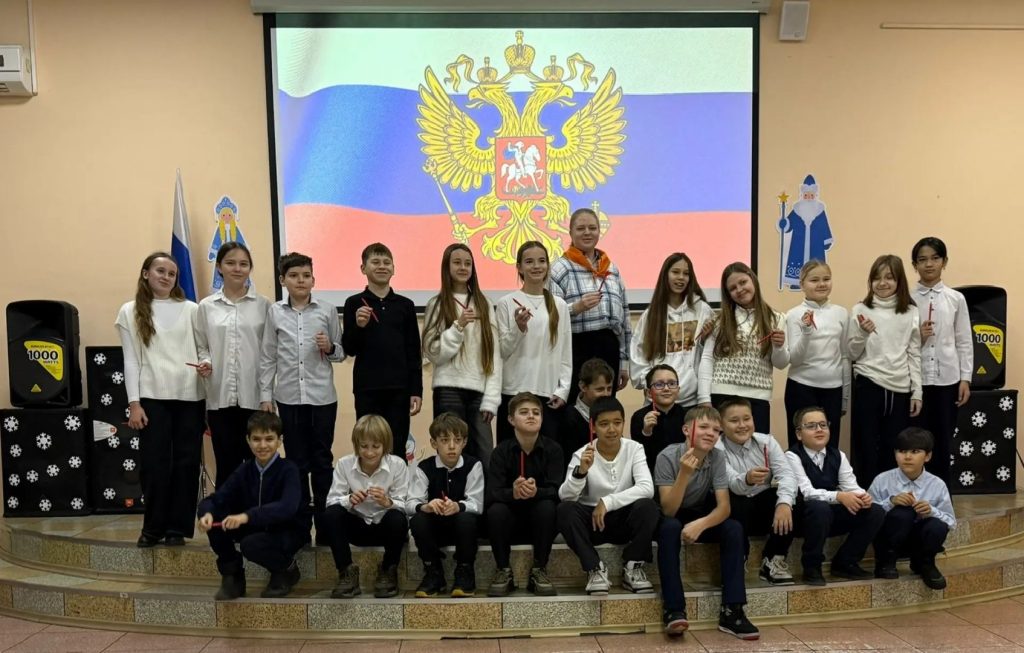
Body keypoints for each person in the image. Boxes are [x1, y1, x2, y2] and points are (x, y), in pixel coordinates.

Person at [116, 252, 206, 548]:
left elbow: (203, 350)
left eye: (171, 273)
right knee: (154, 465)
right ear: (146, 274)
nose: (166, 277)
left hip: (190, 397)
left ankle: (177, 528)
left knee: (186, 464)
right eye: (160, 271)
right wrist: (134, 403)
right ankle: (153, 527)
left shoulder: (192, 309)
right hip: (152, 399)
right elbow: (131, 361)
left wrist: (206, 364)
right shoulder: (130, 311)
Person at [259, 252, 344, 544]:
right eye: (294, 276)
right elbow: (268, 356)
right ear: (283, 280)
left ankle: (326, 527)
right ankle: (300, 528)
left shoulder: (327, 310)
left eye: (306, 275)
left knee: (322, 461)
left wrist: (329, 346)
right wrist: (266, 396)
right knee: (296, 464)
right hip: (289, 398)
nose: (301, 281)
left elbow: (340, 352)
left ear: (313, 280)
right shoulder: (275, 312)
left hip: (322, 399)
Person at [655, 406, 758, 640]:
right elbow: (669, 509)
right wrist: (684, 473)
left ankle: (732, 611)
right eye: (703, 427)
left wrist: (701, 525)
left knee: (733, 528)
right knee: (669, 528)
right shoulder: (667, 456)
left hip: (699, 515)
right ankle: (674, 609)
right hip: (672, 514)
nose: (711, 433)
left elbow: (724, 507)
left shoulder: (717, 456)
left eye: (716, 430)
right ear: (686, 430)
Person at [197, 412, 305, 600]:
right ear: (248, 440)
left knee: (251, 545)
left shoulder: (289, 469)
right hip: (254, 528)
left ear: (280, 440)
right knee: (213, 516)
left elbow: (287, 507)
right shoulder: (244, 470)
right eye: (256, 439)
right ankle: (232, 574)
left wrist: (247, 516)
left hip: (286, 531)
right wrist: (206, 514)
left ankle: (285, 569)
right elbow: (217, 498)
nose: (262, 445)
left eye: (269, 439)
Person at [558, 396, 659, 596]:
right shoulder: (582, 454)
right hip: (593, 524)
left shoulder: (634, 448)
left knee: (648, 506)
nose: (612, 429)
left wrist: (607, 501)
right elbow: (565, 496)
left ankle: (633, 566)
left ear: (623, 423)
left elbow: (647, 487)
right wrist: (581, 472)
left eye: (617, 422)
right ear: (593, 427)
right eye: (604, 424)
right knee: (564, 510)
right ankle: (594, 568)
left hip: (623, 520)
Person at [194, 242, 271, 483]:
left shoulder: (264, 305)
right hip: (220, 397)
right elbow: (202, 346)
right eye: (230, 263)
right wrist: (205, 361)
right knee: (226, 463)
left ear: (250, 268)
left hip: (255, 396)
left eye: (243, 264)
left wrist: (267, 394)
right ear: (219, 267)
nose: (237, 268)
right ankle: (227, 508)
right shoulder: (206, 306)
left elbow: (269, 352)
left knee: (257, 464)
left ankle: (257, 508)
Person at [785, 407, 885, 586]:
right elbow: (807, 492)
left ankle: (846, 562)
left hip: (829, 515)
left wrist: (863, 497)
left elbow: (851, 486)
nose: (819, 430)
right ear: (799, 434)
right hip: (802, 517)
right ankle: (812, 566)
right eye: (811, 426)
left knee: (875, 511)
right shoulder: (791, 456)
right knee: (819, 507)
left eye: (823, 425)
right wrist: (839, 496)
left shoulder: (838, 455)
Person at [342, 242, 423, 460]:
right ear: (363, 268)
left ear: (394, 269)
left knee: (397, 446)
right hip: (367, 388)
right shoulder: (353, 303)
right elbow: (349, 348)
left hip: (399, 389)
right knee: (368, 445)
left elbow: (413, 351)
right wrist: (359, 326)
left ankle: (397, 484)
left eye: (387, 262)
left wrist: (416, 390)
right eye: (375, 262)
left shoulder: (405, 305)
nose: (382, 266)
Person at [423, 244, 501, 467]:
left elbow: (494, 354)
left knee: (485, 454)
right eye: (457, 262)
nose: (463, 267)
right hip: (448, 390)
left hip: (479, 391)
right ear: (446, 267)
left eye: (468, 263)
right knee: (451, 454)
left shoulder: (484, 303)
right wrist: (458, 327)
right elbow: (434, 353)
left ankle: (483, 492)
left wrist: (492, 398)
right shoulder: (436, 304)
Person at [847, 254, 922, 486]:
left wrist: (917, 391)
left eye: (889, 277)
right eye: (877, 278)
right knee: (866, 446)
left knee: (894, 446)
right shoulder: (860, 309)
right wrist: (863, 333)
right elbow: (851, 353)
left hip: (900, 388)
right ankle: (866, 497)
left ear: (899, 280)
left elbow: (914, 353)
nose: (882, 283)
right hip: (869, 383)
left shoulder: (910, 311)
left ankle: (891, 495)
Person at [486, 392, 564, 597]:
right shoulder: (501, 451)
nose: (531, 416)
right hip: (510, 524)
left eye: (536, 413)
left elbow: (558, 491)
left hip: (542, 525)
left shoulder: (554, 449)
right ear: (511, 419)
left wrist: (537, 492)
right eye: (524, 412)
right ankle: (503, 570)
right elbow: (492, 493)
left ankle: (539, 569)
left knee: (548, 507)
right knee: (496, 511)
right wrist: (513, 493)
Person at [549, 207, 631, 403]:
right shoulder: (560, 268)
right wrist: (575, 308)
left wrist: (624, 361)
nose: (587, 233)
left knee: (605, 408)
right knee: (575, 407)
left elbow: (624, 317)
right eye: (581, 228)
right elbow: (550, 315)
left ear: (599, 231)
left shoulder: (611, 269)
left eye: (592, 228)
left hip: (609, 348)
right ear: (570, 232)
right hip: (576, 347)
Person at [323, 415, 409, 599]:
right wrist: (349, 499)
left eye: (375, 446)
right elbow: (331, 502)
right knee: (331, 514)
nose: (369, 453)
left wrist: (388, 502)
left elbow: (406, 506)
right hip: (357, 527)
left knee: (398, 518)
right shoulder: (344, 464)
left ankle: (388, 570)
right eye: (364, 446)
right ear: (356, 444)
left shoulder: (398, 465)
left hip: (386, 529)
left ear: (385, 445)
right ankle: (346, 572)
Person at [495, 240, 572, 443]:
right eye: (529, 262)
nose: (536, 266)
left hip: (548, 394)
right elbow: (501, 351)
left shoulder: (560, 305)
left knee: (546, 454)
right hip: (512, 393)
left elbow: (565, 353)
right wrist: (519, 328)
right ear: (519, 267)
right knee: (510, 454)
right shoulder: (506, 303)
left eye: (541, 261)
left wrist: (563, 390)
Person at [698, 262, 788, 434]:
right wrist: (704, 399)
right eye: (732, 288)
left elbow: (781, 363)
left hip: (758, 398)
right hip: (722, 396)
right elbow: (707, 359)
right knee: (721, 449)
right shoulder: (719, 320)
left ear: (752, 279)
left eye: (743, 282)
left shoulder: (777, 318)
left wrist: (779, 346)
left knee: (757, 448)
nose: (739, 290)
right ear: (728, 294)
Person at [910, 237, 973, 484]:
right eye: (922, 259)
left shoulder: (956, 298)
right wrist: (919, 336)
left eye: (935, 258)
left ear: (944, 262)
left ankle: (941, 493)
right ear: (914, 265)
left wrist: (965, 378)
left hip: (947, 379)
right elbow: (900, 341)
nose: (929, 264)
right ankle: (915, 491)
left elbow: (964, 341)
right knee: (915, 440)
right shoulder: (907, 299)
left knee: (943, 440)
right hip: (915, 380)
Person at [715, 398, 797, 585]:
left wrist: (784, 504)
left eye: (747, 419)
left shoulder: (767, 442)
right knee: (730, 499)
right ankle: (739, 558)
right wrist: (747, 478)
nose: (742, 425)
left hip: (761, 508)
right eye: (734, 420)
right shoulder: (716, 448)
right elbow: (731, 482)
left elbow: (787, 475)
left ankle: (773, 559)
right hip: (735, 509)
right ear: (721, 425)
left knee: (791, 499)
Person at [406, 413, 484, 598]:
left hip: (462, 530)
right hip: (436, 529)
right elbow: (410, 503)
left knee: (467, 519)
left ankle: (465, 571)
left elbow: (477, 504)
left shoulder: (473, 465)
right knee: (418, 520)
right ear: (434, 443)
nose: (451, 446)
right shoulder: (424, 467)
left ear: (464, 442)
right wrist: (426, 506)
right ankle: (433, 571)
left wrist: (458, 506)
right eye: (444, 440)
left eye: (457, 440)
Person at [868, 427, 955, 590]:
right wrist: (891, 502)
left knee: (937, 525)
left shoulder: (937, 484)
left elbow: (951, 521)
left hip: (918, 540)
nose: (907, 457)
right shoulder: (882, 480)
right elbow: (867, 514)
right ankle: (886, 562)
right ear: (895, 454)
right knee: (902, 514)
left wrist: (931, 511)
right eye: (902, 451)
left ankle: (925, 563)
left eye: (915, 451)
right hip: (889, 539)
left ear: (927, 456)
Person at [630, 252, 713, 410]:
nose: (681, 278)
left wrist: (703, 340)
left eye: (686, 274)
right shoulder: (651, 315)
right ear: (665, 275)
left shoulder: (703, 310)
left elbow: (709, 357)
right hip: (658, 403)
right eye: (675, 272)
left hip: (693, 402)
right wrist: (650, 384)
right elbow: (638, 355)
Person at [783, 259, 849, 450]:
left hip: (833, 389)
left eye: (826, 279)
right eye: (814, 280)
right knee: (799, 445)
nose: (821, 284)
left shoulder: (841, 313)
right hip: (801, 387)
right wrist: (807, 331)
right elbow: (795, 359)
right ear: (802, 284)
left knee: (830, 445)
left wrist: (845, 397)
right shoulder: (794, 315)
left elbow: (845, 356)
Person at [629, 364, 686, 474]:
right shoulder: (639, 417)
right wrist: (646, 432)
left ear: (678, 390)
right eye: (659, 384)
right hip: (651, 473)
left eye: (672, 384)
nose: (666, 388)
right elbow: (638, 456)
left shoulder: (687, 416)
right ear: (648, 392)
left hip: (681, 472)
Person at [560, 358, 614, 455]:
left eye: (609, 389)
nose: (606, 394)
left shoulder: (613, 411)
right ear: (583, 387)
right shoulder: (570, 417)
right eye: (600, 389)